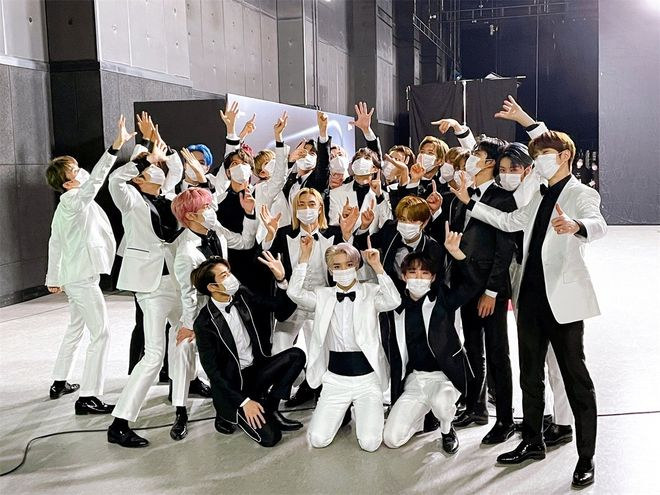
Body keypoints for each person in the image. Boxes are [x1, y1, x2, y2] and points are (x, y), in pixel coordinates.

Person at [451, 130, 607, 488]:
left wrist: (577, 225)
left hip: (562, 302)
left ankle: (586, 458)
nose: (539, 161)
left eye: (545, 154)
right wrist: (470, 201)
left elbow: (598, 224)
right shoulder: (538, 195)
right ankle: (533, 441)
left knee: (576, 379)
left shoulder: (581, 193)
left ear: (564, 156)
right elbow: (509, 222)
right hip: (529, 299)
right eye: (537, 156)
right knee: (530, 375)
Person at [44, 115, 134, 413]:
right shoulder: (74, 200)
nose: (80, 170)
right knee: (101, 333)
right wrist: (115, 147)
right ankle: (89, 396)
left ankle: (59, 381)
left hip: (77, 276)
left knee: (76, 327)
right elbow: (96, 179)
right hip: (82, 278)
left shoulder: (67, 205)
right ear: (68, 181)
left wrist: (53, 277)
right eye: (75, 169)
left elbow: (55, 242)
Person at [106, 138, 187, 448]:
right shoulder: (130, 199)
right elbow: (115, 179)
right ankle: (120, 423)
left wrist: (164, 150)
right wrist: (144, 159)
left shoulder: (168, 198)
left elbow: (175, 170)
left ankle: (180, 404)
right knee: (153, 355)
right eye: (146, 170)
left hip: (175, 283)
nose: (155, 170)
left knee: (184, 342)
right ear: (138, 179)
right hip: (150, 287)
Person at [287, 241, 401, 451]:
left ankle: (365, 416)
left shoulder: (370, 291)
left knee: (370, 443)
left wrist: (378, 267)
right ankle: (340, 416)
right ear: (330, 270)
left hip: (367, 379)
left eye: (348, 264)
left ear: (356, 266)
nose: (343, 270)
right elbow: (294, 293)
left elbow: (394, 300)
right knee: (318, 439)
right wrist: (304, 258)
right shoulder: (322, 295)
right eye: (337, 266)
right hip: (335, 380)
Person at [168, 184, 257, 440]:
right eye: (206, 207)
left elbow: (244, 241)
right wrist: (190, 325)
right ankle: (180, 411)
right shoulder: (185, 252)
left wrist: (249, 214)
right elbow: (188, 294)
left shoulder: (216, 233)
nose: (211, 210)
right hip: (200, 313)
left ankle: (234, 399)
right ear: (190, 215)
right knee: (182, 349)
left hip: (225, 305)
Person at [383, 226, 481, 453]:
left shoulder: (443, 300)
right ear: (403, 276)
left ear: (433, 277)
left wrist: (458, 255)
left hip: (444, 377)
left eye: (425, 273)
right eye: (413, 272)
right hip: (415, 380)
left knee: (442, 404)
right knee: (391, 439)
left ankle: (447, 429)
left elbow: (472, 285)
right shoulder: (396, 305)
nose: (418, 278)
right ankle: (422, 415)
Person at [448, 135, 518, 448]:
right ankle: (476, 407)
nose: (470, 157)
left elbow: (505, 250)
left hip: (489, 288)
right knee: (472, 347)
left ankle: (505, 419)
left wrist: (492, 290)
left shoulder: (502, 199)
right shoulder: (462, 194)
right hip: (465, 282)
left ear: (489, 162)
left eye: (476, 153)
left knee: (498, 352)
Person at [192, 256, 306, 447]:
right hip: (235, 385)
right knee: (271, 438)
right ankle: (227, 414)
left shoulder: (242, 295)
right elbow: (214, 373)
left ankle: (270, 407)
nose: (231, 278)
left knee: (296, 355)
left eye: (229, 272)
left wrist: (281, 280)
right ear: (212, 287)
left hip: (256, 371)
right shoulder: (204, 323)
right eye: (224, 276)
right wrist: (244, 402)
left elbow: (281, 309)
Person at [259, 188, 356, 406]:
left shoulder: (334, 233)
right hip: (291, 302)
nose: (306, 209)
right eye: (301, 205)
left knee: (320, 351)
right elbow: (263, 263)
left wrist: (348, 236)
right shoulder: (284, 233)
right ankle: (300, 381)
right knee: (279, 350)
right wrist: (269, 236)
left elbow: (351, 264)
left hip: (321, 303)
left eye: (311, 204)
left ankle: (318, 390)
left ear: (320, 207)